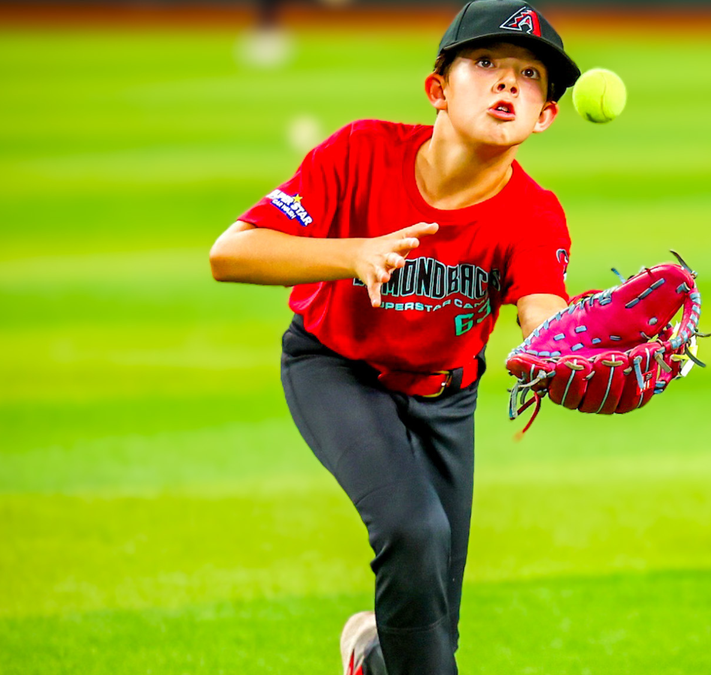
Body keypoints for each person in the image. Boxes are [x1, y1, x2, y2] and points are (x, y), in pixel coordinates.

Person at [208, 1, 580, 673]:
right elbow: (230, 252)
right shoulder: (360, 152)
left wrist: (574, 342)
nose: (508, 83)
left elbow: (541, 309)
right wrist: (350, 254)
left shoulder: (534, 212)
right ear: (437, 88)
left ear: (545, 115)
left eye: (530, 76)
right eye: (487, 63)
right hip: (335, 368)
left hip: (445, 399)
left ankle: (370, 655)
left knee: (430, 638)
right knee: (414, 530)